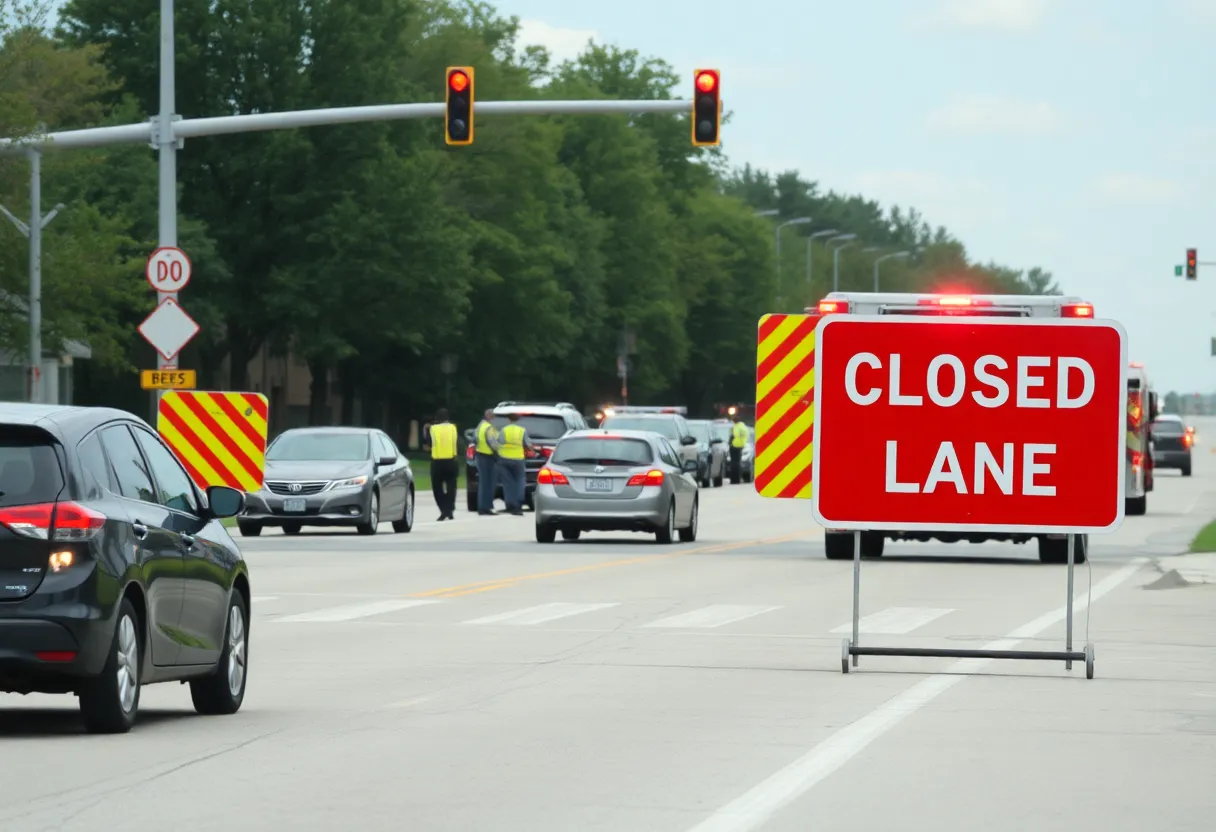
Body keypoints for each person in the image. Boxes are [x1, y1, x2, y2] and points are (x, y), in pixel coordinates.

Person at [496, 412, 534, 516]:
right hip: (518, 459)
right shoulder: (522, 430)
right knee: (520, 482)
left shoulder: (504, 430)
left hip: (504, 458)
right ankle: (518, 504)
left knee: (508, 483)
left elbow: (499, 441)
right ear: (518, 420)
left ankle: (510, 504)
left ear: (508, 420)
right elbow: (528, 444)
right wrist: (533, 450)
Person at [427, 408, 459, 521]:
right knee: (452, 487)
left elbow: (429, 444)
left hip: (437, 461)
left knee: (437, 488)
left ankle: (443, 510)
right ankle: (450, 509)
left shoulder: (433, 429)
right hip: (451, 460)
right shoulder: (453, 428)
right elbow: (456, 442)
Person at [472, 409, 500, 516]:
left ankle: (482, 507)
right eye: (493, 416)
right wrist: (500, 450)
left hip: (480, 456)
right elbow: (493, 443)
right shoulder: (489, 428)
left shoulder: (480, 426)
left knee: (483, 483)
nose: (494, 419)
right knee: (489, 483)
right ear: (489, 417)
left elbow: (474, 439)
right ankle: (486, 507)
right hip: (488, 457)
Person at [730, 413, 749, 483]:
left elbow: (734, 435)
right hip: (741, 446)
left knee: (734, 464)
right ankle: (737, 479)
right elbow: (746, 436)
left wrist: (730, 443)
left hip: (734, 446)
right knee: (737, 463)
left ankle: (734, 480)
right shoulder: (743, 426)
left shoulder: (736, 427)